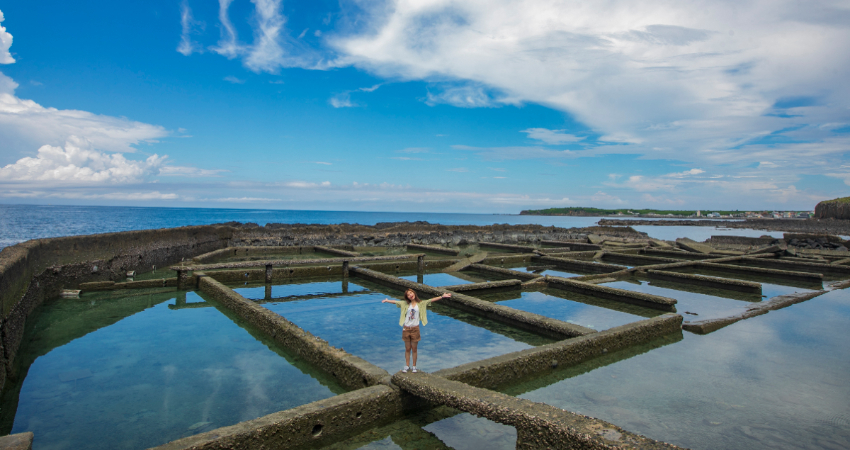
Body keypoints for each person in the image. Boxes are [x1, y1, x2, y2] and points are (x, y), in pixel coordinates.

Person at [381, 289, 451, 373]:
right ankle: (407, 366)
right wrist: (387, 300)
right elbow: (396, 302)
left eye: (411, 293)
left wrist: (442, 297)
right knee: (407, 348)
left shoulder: (421, 303)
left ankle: (414, 366)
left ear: (414, 293)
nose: (410, 295)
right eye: (408, 294)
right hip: (406, 329)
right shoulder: (405, 304)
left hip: (415, 329)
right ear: (407, 297)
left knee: (414, 349)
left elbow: (431, 300)